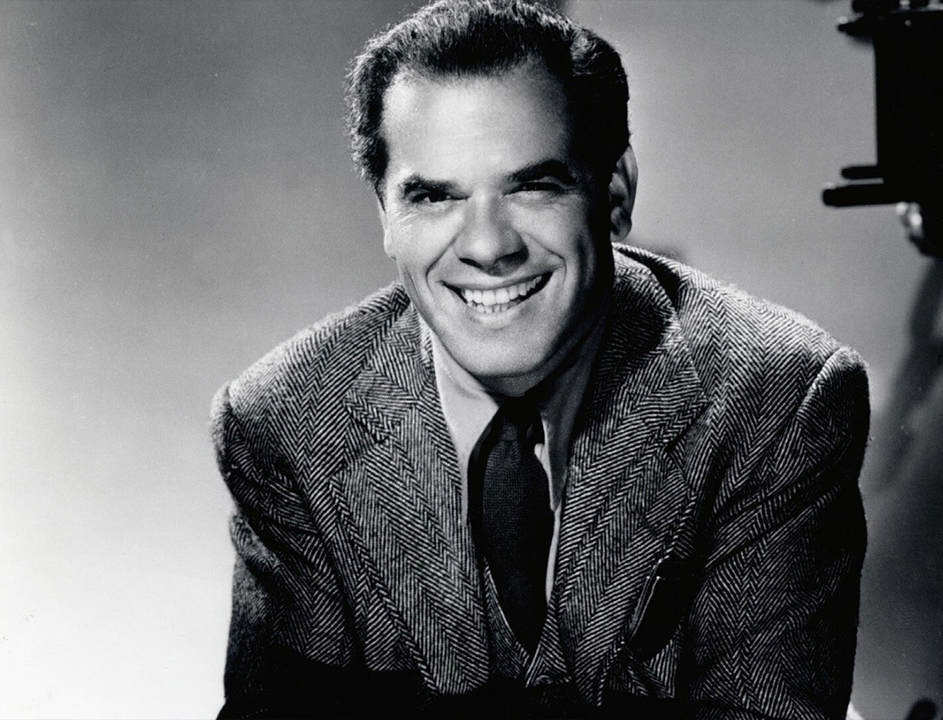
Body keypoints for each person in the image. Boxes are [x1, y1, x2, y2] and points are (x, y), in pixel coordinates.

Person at [211, 0, 869, 716]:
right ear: (386, 218)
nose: (488, 246)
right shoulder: (286, 423)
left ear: (614, 192)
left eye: (532, 186)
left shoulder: (779, 401)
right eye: (434, 197)